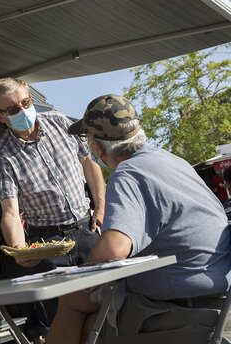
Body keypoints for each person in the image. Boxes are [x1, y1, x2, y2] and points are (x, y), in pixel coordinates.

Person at [46, 94, 231, 344]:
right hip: (218, 299)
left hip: (186, 310)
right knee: (84, 307)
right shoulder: (173, 161)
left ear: (96, 147)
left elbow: (113, 248)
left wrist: (80, 276)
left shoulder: (129, 173)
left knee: (72, 303)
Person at [0, 77, 105, 341]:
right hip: (49, 242)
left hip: (87, 229)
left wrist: (100, 207)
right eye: (13, 110)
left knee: (104, 306)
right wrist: (19, 250)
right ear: (0, 116)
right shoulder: (2, 155)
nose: (23, 111)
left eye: (26, 103)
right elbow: (9, 211)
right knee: (62, 318)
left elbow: (90, 164)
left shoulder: (60, 122)